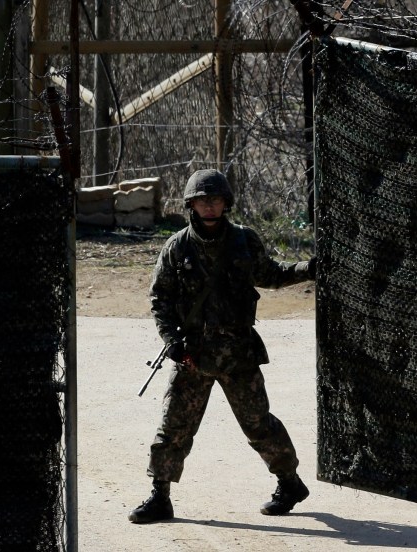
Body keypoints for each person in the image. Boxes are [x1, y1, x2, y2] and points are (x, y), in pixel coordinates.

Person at [129, 169, 316, 524]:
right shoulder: (178, 246)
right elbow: (160, 298)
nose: (210, 206)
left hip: (238, 353)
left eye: (215, 200)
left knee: (259, 425)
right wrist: (170, 339)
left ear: (226, 203)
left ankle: (290, 483)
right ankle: (160, 495)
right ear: (191, 205)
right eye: (202, 200)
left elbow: (271, 275)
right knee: (174, 427)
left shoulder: (244, 241)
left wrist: (307, 268)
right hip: (194, 355)